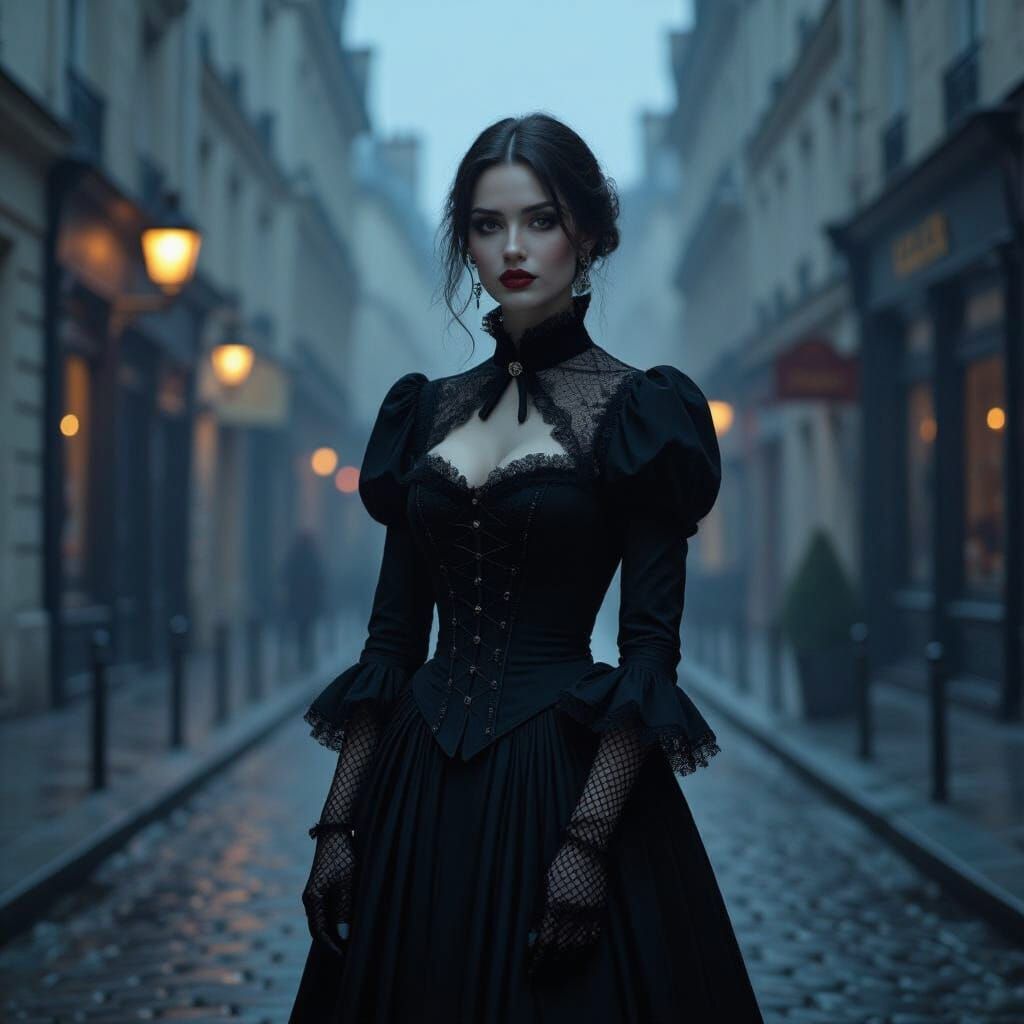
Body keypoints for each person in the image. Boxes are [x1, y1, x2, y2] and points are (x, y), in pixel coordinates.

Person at [288, 113, 765, 1023]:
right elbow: (391, 640)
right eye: (485, 223)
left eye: (539, 220)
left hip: (561, 781)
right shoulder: (424, 411)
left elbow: (649, 654)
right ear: (464, 242)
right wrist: (339, 826)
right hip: (414, 792)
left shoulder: (639, 409)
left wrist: (587, 844)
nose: (512, 247)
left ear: (586, 234)